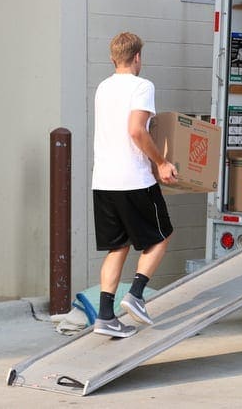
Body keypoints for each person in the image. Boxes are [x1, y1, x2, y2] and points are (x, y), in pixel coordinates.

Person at [91, 32, 178, 338]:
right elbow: (136, 131)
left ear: (114, 57)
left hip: (103, 181)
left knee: (118, 246)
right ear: (137, 57)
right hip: (134, 181)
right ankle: (137, 295)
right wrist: (161, 163)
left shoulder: (103, 87)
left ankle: (105, 317)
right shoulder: (142, 86)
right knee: (162, 235)